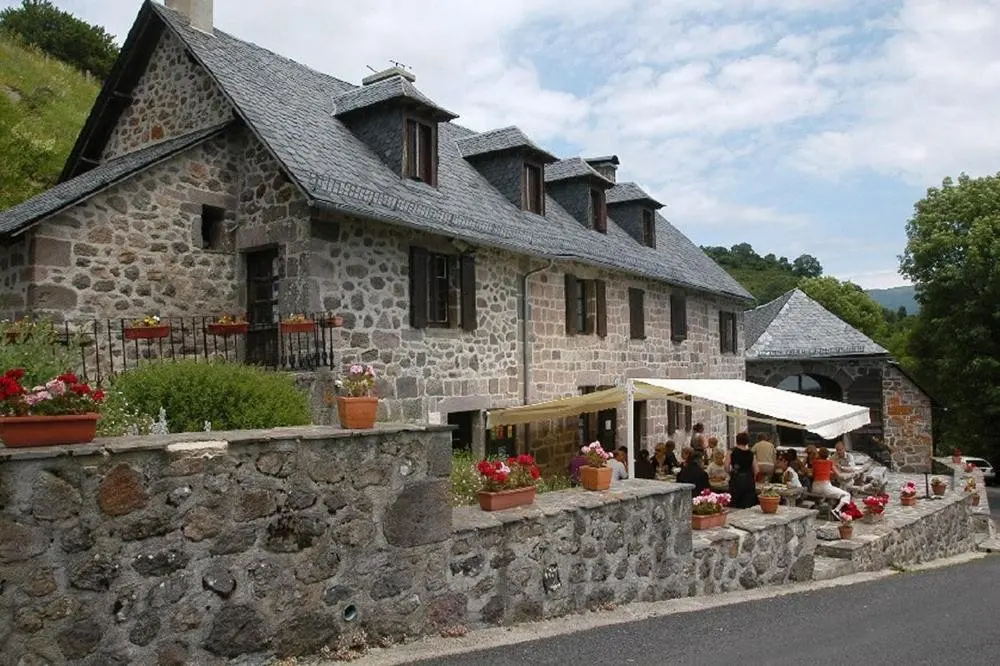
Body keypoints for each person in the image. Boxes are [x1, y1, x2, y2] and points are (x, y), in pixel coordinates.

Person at [811, 447, 851, 518]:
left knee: (829, 491)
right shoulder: (829, 462)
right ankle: (836, 510)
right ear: (828, 455)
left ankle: (821, 505)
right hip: (825, 487)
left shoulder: (814, 462)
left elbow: (813, 474)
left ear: (819, 454)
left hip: (815, 487)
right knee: (847, 495)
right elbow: (838, 474)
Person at [727, 431, 758, 508]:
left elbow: (726, 465)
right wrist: (752, 477)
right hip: (748, 480)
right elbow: (756, 470)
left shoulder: (731, 451)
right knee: (748, 505)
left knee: (735, 505)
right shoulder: (751, 453)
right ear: (747, 441)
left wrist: (730, 473)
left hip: (736, 480)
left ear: (737, 440)